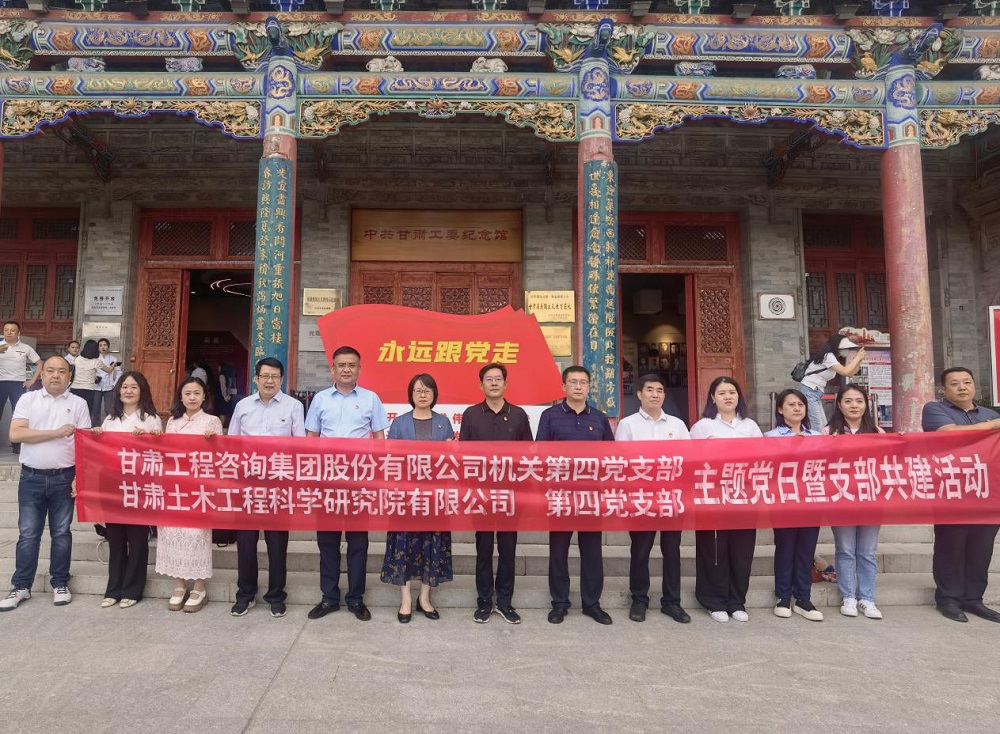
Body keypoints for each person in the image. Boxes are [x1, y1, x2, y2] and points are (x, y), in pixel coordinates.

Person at [305, 346, 389, 622]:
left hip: (359, 481)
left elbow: (379, 439)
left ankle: (356, 598)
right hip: (327, 480)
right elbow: (311, 439)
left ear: (359, 369)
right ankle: (329, 597)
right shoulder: (320, 399)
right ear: (333, 369)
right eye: (341, 365)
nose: (346, 369)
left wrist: (377, 476)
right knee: (327, 542)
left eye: (351, 365)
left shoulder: (370, 399)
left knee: (358, 542)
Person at [0, 356, 91, 611]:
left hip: (64, 477)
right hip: (32, 478)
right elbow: (16, 433)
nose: (55, 375)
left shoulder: (79, 403)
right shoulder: (28, 399)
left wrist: (79, 477)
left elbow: (84, 445)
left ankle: (60, 583)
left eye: (62, 371)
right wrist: (56, 432)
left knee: (61, 533)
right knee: (28, 534)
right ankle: (21, 586)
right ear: (42, 375)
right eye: (50, 370)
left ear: (69, 376)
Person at [921, 367, 1000, 624]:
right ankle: (948, 599)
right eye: (955, 383)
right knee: (950, 547)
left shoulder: (989, 413)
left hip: (986, 493)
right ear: (944, 389)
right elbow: (947, 433)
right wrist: (992, 426)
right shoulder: (935, 409)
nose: (962, 387)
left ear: (975, 386)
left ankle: (974, 599)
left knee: (981, 549)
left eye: (967, 382)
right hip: (951, 492)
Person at [537, 365, 615, 626]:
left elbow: (611, 456)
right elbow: (541, 455)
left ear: (589, 387)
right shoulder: (550, 416)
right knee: (558, 551)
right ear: (564, 386)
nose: (578, 386)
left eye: (583, 382)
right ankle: (559, 603)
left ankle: (592, 604)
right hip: (560, 495)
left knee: (592, 551)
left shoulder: (599, 418)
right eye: (573, 382)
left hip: (591, 496)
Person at [228, 357, 305, 619]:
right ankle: (245, 595)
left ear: (281, 379)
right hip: (248, 485)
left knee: (277, 543)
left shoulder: (294, 406)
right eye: (265, 376)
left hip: (278, 485)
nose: (269, 381)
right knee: (246, 543)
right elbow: (232, 444)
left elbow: (300, 447)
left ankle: (276, 596)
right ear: (256, 379)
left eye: (274, 376)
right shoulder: (243, 406)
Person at [460, 362, 533, 624]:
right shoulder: (471, 415)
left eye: (498, 378)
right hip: (480, 495)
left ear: (505, 383)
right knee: (483, 549)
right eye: (488, 379)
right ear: (481, 385)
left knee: (508, 549)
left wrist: (523, 493)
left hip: (510, 495)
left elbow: (528, 455)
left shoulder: (518, 415)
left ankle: (504, 602)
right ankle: (484, 601)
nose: (493, 383)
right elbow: (464, 455)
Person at [616, 373, 692, 625]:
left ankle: (672, 602)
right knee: (640, 550)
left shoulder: (677, 425)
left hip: (671, 498)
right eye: (649, 390)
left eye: (659, 390)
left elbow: (689, 460)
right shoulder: (627, 425)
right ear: (639, 394)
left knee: (672, 551)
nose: (655, 394)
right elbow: (621, 463)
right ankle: (639, 599)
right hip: (641, 498)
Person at [381, 373, 454, 623]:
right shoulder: (399, 423)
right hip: (405, 496)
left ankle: (424, 598)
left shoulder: (444, 423)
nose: (423, 395)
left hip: (434, 497)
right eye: (418, 391)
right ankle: (405, 599)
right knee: (404, 546)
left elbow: (451, 462)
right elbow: (390, 459)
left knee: (431, 545)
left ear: (434, 394)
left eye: (427, 391)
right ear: (411, 395)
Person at [689, 376, 763, 623]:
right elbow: (691, 461)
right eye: (721, 393)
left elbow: (763, 459)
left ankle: (736, 601)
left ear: (738, 396)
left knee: (742, 551)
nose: (728, 397)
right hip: (712, 497)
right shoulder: (702, 427)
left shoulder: (750, 426)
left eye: (732, 392)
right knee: (714, 550)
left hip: (744, 497)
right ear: (713, 398)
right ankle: (714, 601)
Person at [91, 371, 162, 609]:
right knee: (116, 540)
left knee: (138, 540)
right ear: (118, 391)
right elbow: (100, 453)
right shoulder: (110, 420)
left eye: (133, 387)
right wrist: (97, 436)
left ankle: (133, 589)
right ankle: (113, 589)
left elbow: (158, 452)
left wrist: (149, 437)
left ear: (142, 391)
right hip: (113, 487)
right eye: (124, 387)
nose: (128, 391)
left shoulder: (150, 419)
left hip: (139, 488)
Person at [156, 377, 222, 613]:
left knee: (196, 535)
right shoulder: (173, 422)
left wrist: (213, 442)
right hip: (175, 487)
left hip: (199, 488)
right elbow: (166, 453)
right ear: (181, 398)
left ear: (204, 397)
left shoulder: (212, 421)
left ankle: (199, 587)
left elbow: (220, 456)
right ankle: (179, 585)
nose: (192, 397)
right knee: (172, 533)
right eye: (187, 393)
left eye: (197, 393)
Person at [826, 384, 885, 619]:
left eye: (859, 401)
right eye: (848, 401)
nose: (854, 406)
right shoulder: (828, 432)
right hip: (841, 499)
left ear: (866, 405)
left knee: (868, 552)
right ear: (839, 405)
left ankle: (867, 599)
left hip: (870, 500)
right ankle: (848, 597)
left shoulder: (877, 432)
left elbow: (888, 464)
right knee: (845, 550)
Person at [764, 389, 823, 622]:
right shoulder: (769, 437)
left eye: (800, 404)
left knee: (806, 550)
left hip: (811, 500)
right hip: (783, 501)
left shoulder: (817, 436)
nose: (797, 408)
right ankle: (783, 596)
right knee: (785, 548)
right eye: (791, 404)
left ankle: (803, 598)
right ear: (780, 409)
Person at [798, 335, 866, 430]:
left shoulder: (833, 358)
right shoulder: (828, 356)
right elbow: (845, 371)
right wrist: (857, 358)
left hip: (815, 392)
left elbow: (850, 374)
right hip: (809, 390)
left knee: (823, 425)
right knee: (817, 425)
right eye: (846, 348)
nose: (847, 351)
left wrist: (859, 361)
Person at [0, 320, 42, 455]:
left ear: (18, 333)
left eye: (12, 330)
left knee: (18, 415)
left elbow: (39, 363)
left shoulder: (25, 347)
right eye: (6, 330)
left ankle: (17, 445)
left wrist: (32, 380)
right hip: (1, 383)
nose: (9, 332)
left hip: (18, 384)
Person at [69, 339, 101, 421]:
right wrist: (114, 364)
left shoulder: (77, 358)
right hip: (88, 390)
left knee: (74, 412)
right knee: (86, 413)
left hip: (75, 389)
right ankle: (84, 428)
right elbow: (108, 370)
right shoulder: (96, 361)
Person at [93, 338, 119, 425]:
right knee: (96, 408)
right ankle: (95, 426)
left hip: (109, 387)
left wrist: (114, 384)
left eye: (104, 345)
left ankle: (109, 425)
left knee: (109, 409)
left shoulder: (113, 359)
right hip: (97, 387)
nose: (103, 347)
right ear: (98, 348)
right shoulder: (95, 359)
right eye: (100, 346)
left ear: (108, 346)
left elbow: (119, 373)